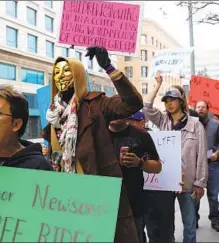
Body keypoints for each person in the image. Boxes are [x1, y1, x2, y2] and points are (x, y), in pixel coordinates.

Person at [41, 46, 143, 242]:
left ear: (78, 74)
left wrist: (109, 68)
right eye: (56, 72)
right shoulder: (54, 114)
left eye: (66, 70)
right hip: (64, 196)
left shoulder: (96, 104)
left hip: (96, 191)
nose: (60, 76)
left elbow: (132, 104)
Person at [142, 71, 208, 243]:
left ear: (181, 101)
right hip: (166, 183)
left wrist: (200, 183)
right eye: (166, 101)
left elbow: (201, 157)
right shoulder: (163, 121)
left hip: (187, 185)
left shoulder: (196, 126)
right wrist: (157, 85)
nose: (169, 104)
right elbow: (146, 106)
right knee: (166, 224)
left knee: (189, 225)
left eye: (172, 99)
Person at [109, 111, 162, 243]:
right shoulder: (98, 134)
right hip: (105, 203)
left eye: (119, 111)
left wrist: (139, 163)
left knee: (135, 236)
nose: (115, 115)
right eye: (111, 112)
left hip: (133, 202)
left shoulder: (141, 135)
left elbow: (158, 167)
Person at [194, 100, 219, 232]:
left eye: (203, 107)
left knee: (213, 195)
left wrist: (217, 152)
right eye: (198, 107)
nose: (200, 109)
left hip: (212, 164)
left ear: (208, 109)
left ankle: (215, 220)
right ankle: (194, 219)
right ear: (195, 109)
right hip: (195, 166)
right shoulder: (192, 125)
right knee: (195, 195)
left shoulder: (216, 124)